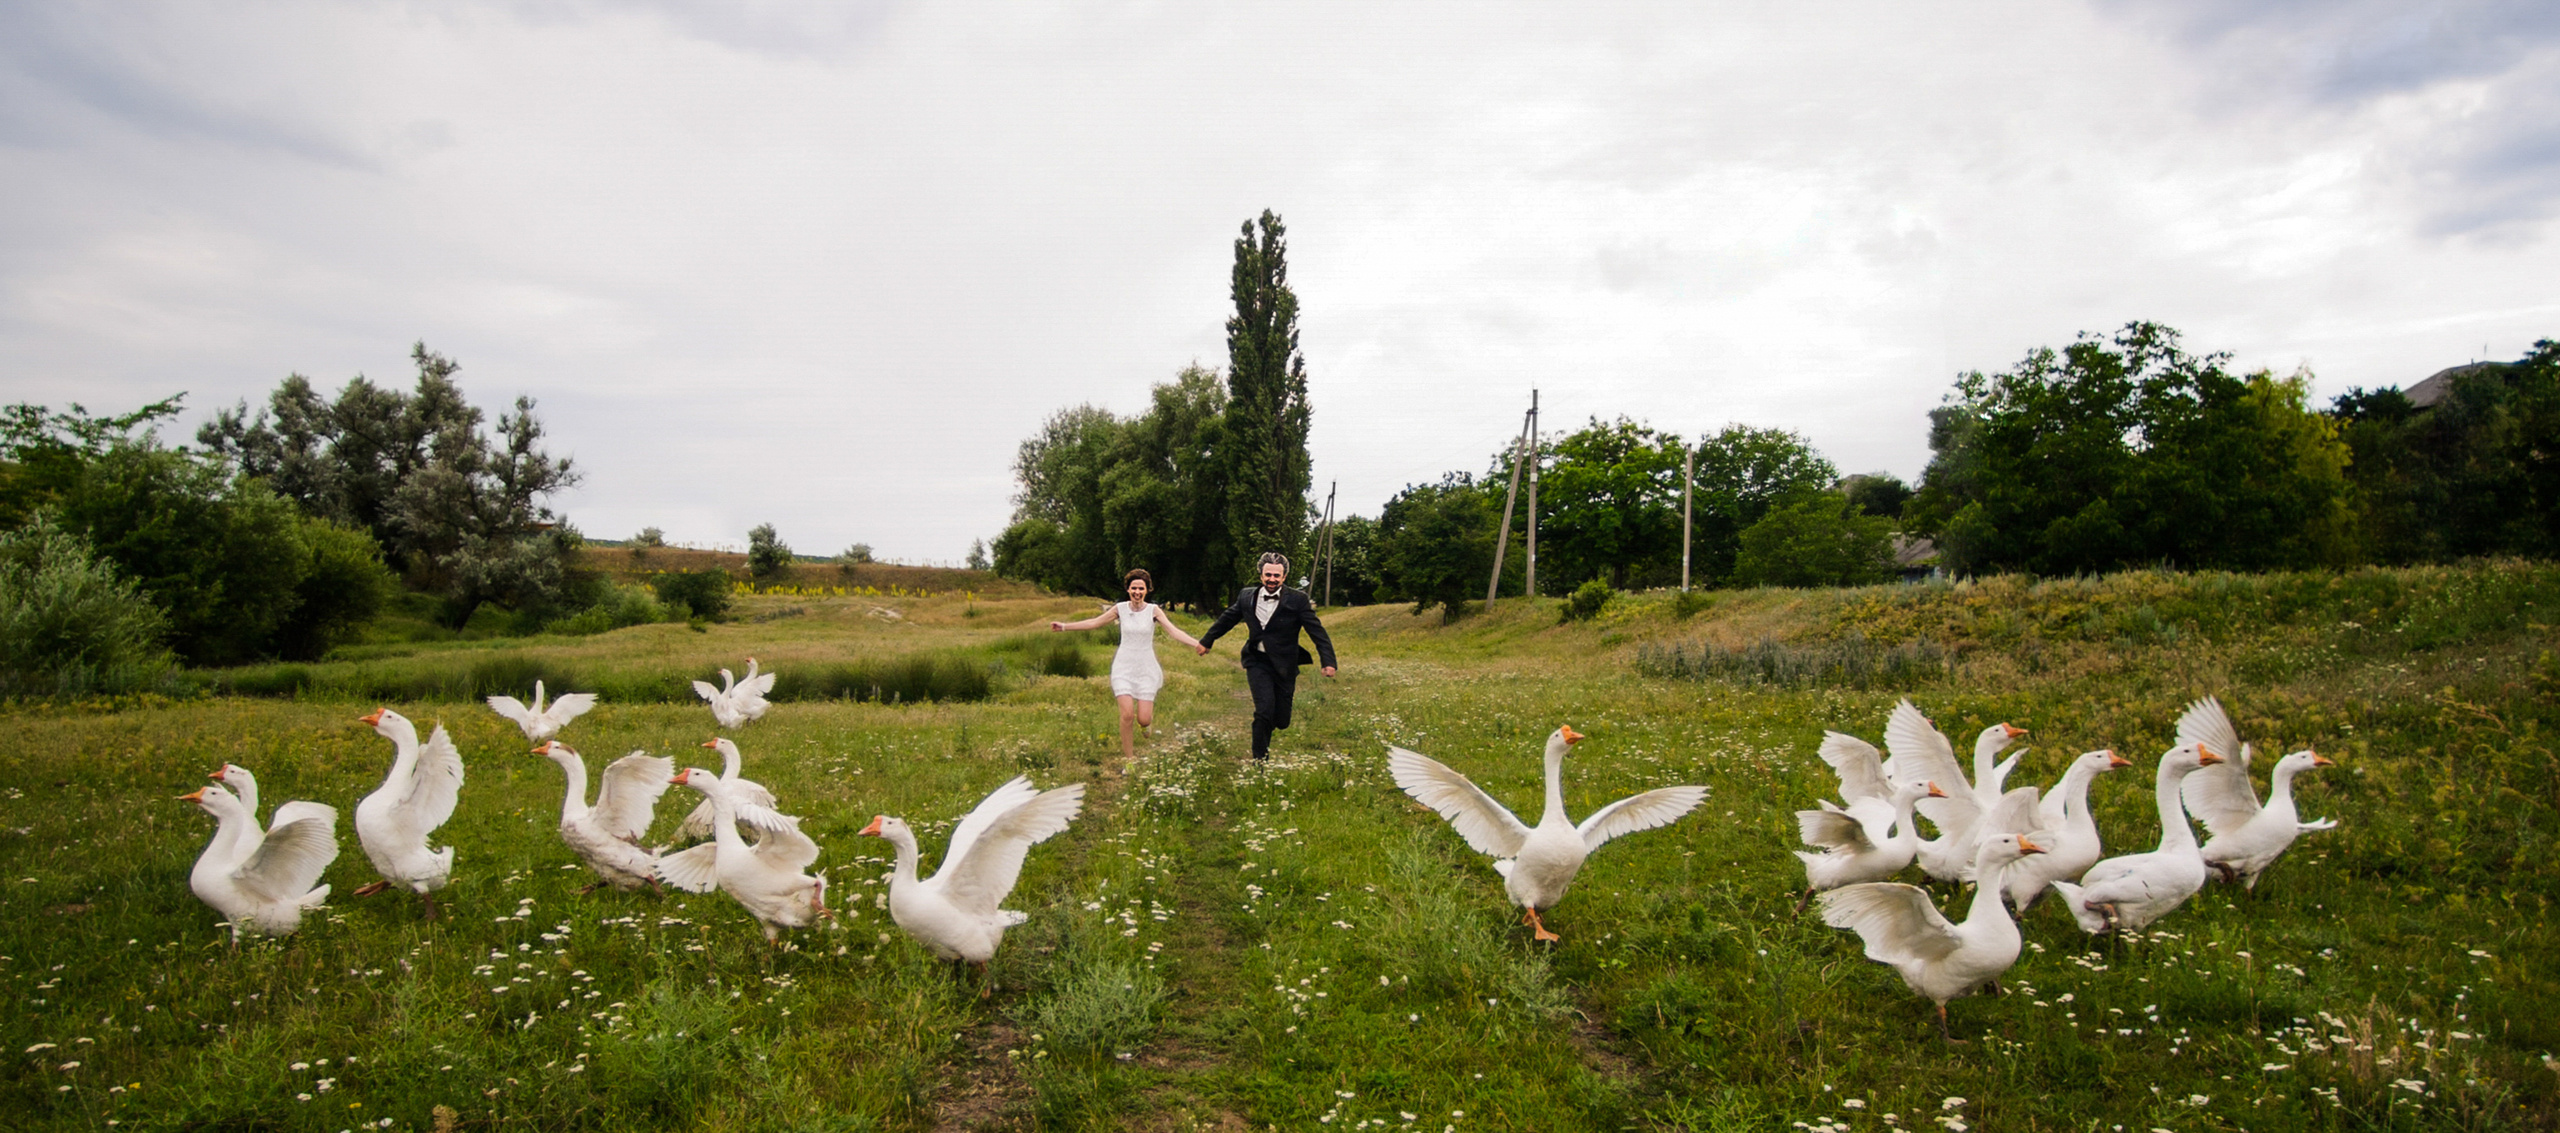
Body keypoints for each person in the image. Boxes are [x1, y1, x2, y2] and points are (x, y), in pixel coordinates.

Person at [1196, 552, 1337, 760]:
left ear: (1284, 577)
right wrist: (1207, 641)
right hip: (1257, 661)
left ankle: (1266, 737)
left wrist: (1328, 661)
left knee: (1281, 719)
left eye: (1276, 576)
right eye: (1268, 575)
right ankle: (1259, 760)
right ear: (1261, 575)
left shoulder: (1298, 600)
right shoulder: (1246, 596)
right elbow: (1227, 619)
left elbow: (1317, 631)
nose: (1272, 579)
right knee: (1264, 710)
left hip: (1285, 665)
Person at [1052, 568, 1202, 760]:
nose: (1137, 592)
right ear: (1128, 589)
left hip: (1146, 667)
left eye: (1141, 588)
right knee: (1127, 715)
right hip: (1123, 667)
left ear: (1147, 590)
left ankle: (1146, 725)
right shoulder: (1120, 609)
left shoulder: (1153, 611)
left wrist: (1197, 644)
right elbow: (1094, 623)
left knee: (1143, 718)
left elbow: (1174, 631)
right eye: (1133, 588)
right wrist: (1064, 626)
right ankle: (1129, 760)